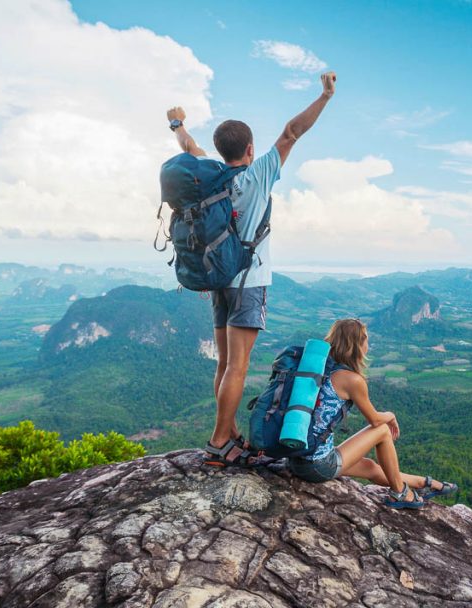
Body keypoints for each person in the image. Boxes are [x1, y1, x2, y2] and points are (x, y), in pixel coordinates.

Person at [167, 71, 337, 467]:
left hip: (218, 279)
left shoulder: (210, 177)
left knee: (225, 364)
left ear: (220, 150)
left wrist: (177, 124)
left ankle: (227, 432)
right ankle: (219, 442)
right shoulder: (258, 174)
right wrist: (325, 96)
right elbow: (292, 132)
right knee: (238, 366)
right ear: (249, 148)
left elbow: (189, 146)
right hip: (249, 281)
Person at [288, 318, 458, 509]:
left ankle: (423, 483)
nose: (368, 345)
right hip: (317, 465)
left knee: (370, 467)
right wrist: (391, 415)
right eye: (366, 340)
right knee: (383, 430)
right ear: (357, 345)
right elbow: (375, 420)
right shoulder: (351, 380)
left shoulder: (318, 369)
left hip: (296, 458)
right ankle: (400, 493)